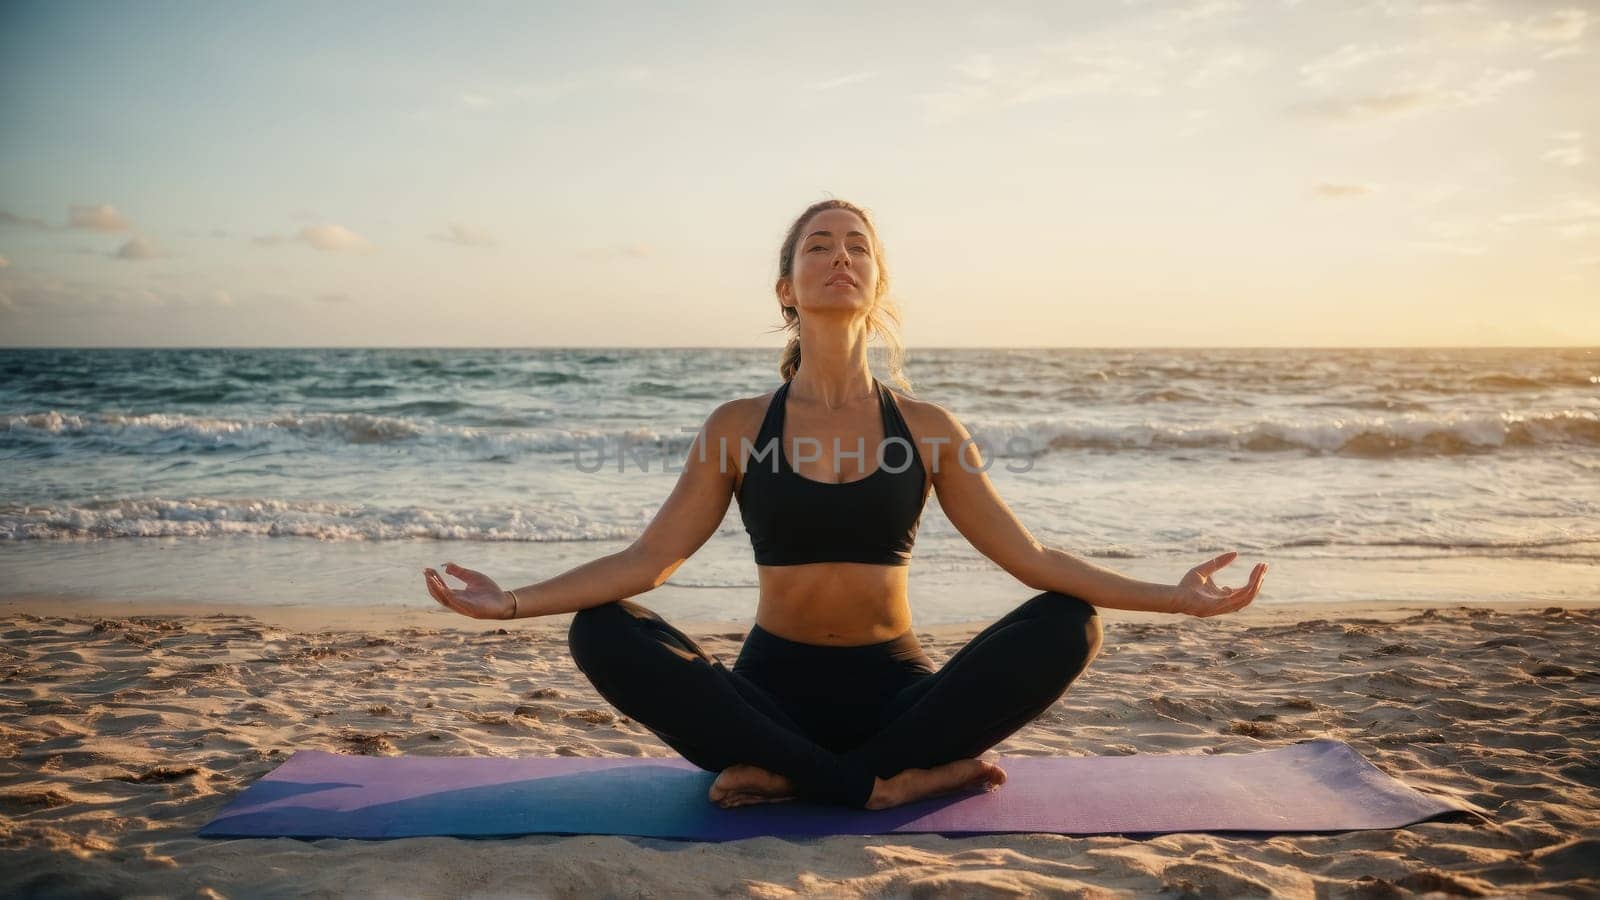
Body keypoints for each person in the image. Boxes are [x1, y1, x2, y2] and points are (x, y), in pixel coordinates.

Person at [424, 199, 1268, 811]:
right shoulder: (738, 426)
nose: (839, 257)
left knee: (1069, 620)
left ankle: (799, 778)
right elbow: (649, 563)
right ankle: (879, 785)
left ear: (877, 281)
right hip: (765, 694)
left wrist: (1174, 597)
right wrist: (514, 605)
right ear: (786, 289)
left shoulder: (930, 428)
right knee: (602, 627)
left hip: (898, 692)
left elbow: (1032, 561)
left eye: (856, 247)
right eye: (817, 247)